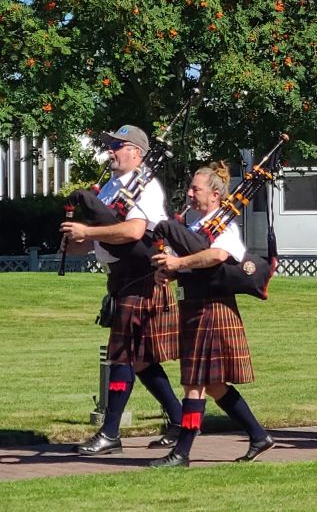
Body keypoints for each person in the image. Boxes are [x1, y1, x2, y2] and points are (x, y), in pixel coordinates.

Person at [60, 125, 183, 456]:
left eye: (117, 145)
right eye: (110, 145)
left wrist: (90, 229)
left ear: (136, 152)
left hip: (143, 277)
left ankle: (110, 432)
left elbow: (133, 230)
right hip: (120, 277)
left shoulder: (146, 187)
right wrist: (77, 239)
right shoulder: (112, 188)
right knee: (141, 361)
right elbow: (101, 237)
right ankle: (180, 419)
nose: (110, 150)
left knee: (123, 356)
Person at [148, 162, 274, 467]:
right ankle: (258, 436)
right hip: (194, 306)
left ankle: (181, 453)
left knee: (195, 383)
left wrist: (179, 264)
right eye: (191, 188)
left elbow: (217, 256)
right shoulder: (195, 227)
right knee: (214, 385)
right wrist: (169, 272)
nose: (190, 194)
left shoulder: (224, 224)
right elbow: (192, 264)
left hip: (213, 308)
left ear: (215, 194)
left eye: (196, 189)